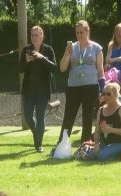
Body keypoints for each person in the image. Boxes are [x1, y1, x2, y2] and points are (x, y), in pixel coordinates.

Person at [58, 20, 104, 147]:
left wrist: (102, 89)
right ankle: (61, 144)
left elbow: (100, 71)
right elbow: (62, 68)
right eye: (77, 32)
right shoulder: (71, 47)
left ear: (87, 32)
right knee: (69, 116)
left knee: (88, 117)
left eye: (82, 32)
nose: (79, 35)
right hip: (73, 87)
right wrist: (67, 54)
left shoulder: (96, 48)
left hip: (91, 87)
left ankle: (85, 145)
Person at [19, 25, 56, 153]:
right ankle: (37, 134)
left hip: (43, 90)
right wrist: (26, 61)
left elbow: (54, 68)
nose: (34, 38)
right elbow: (20, 69)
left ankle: (39, 144)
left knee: (40, 117)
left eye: (36, 35)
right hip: (28, 90)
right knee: (29, 117)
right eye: (32, 35)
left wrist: (41, 57)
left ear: (42, 36)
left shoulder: (48, 50)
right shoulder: (26, 50)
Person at [90, 82, 121, 161]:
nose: (105, 96)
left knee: (101, 156)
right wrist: (96, 144)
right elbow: (97, 131)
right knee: (89, 155)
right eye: (103, 94)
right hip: (106, 144)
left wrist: (110, 130)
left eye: (108, 94)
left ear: (116, 94)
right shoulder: (101, 110)